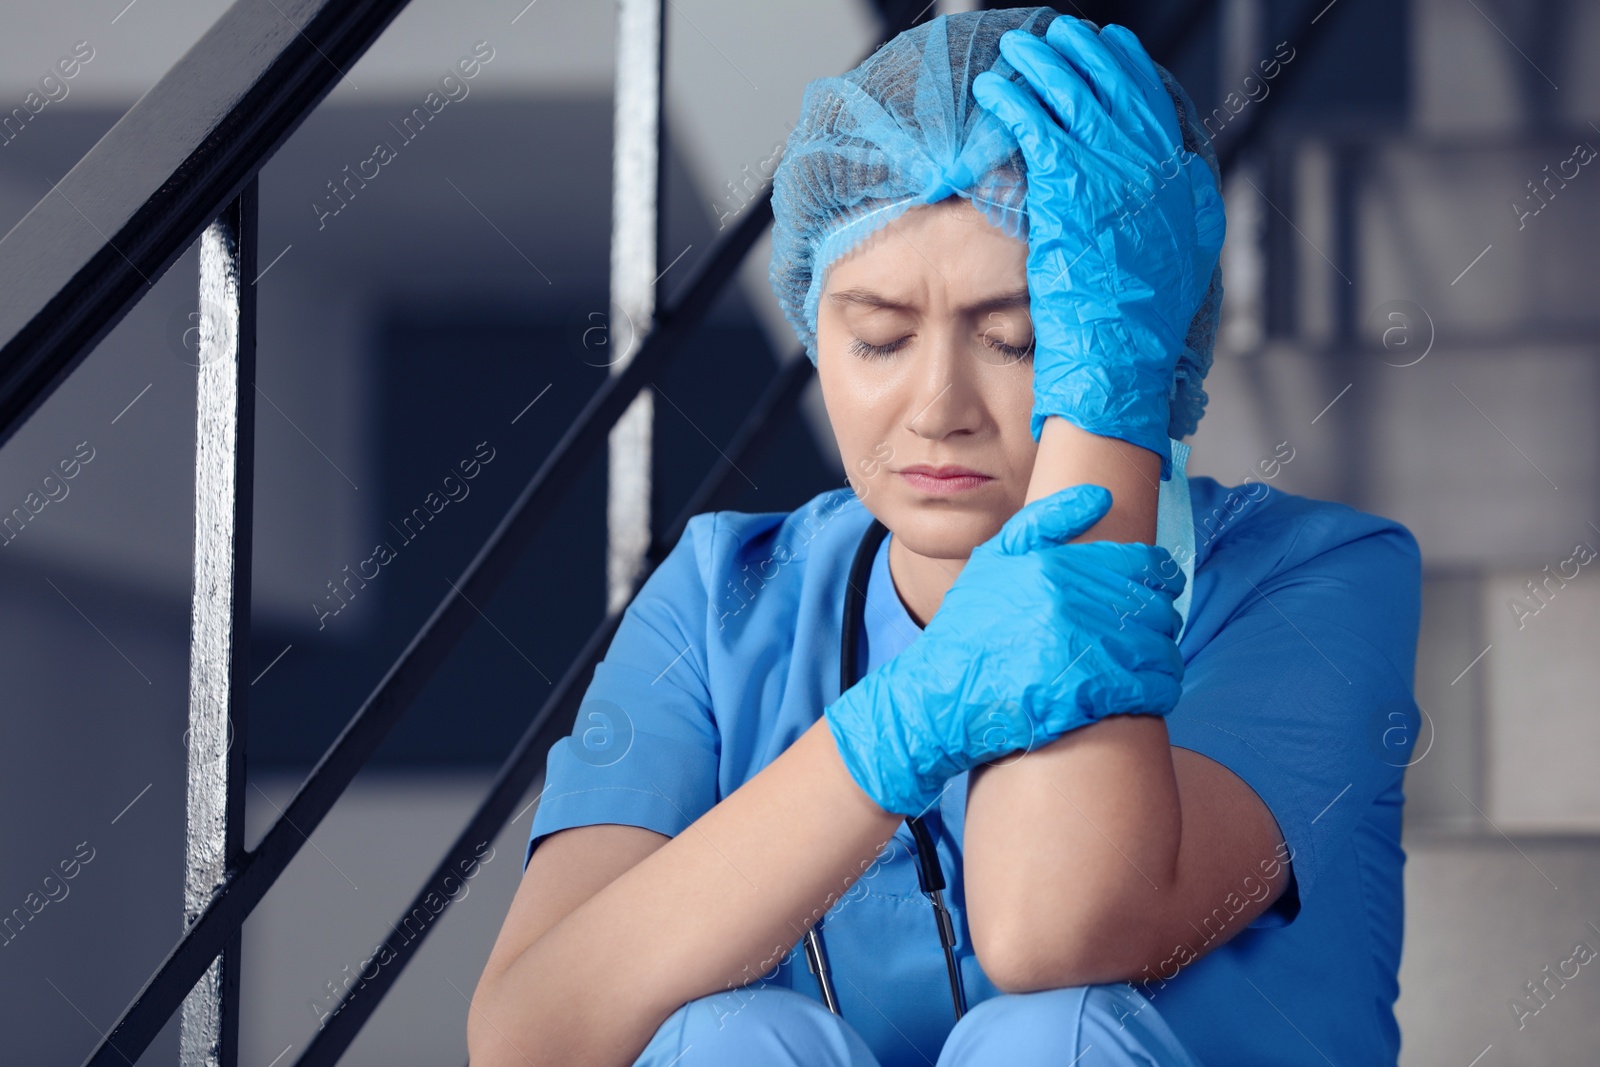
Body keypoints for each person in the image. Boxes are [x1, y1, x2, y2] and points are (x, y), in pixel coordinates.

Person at [468, 9, 1423, 1067]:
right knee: (731, 1036)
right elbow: (532, 1035)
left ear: (1144, 333)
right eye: (877, 336)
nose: (936, 407)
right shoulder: (719, 597)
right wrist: (896, 730)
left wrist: (1107, 397)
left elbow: (1049, 929)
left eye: (1017, 340)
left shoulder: (1316, 582)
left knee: (1049, 1035)